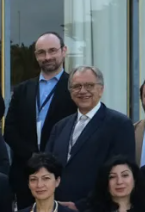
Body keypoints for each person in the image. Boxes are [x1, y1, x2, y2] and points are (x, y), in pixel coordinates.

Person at [3, 32, 74, 205]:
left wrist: (50, 159)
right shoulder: (22, 90)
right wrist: (33, 156)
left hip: (62, 173)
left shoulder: (74, 87)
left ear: (64, 51)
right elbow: (10, 130)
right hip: (26, 173)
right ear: (36, 56)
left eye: (52, 51)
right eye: (41, 52)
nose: (47, 57)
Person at [47, 66, 134, 204]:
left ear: (101, 89)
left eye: (89, 85)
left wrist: (80, 206)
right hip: (59, 210)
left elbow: (119, 175)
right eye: (77, 86)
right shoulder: (60, 127)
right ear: (70, 92)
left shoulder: (119, 124)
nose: (82, 91)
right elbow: (48, 168)